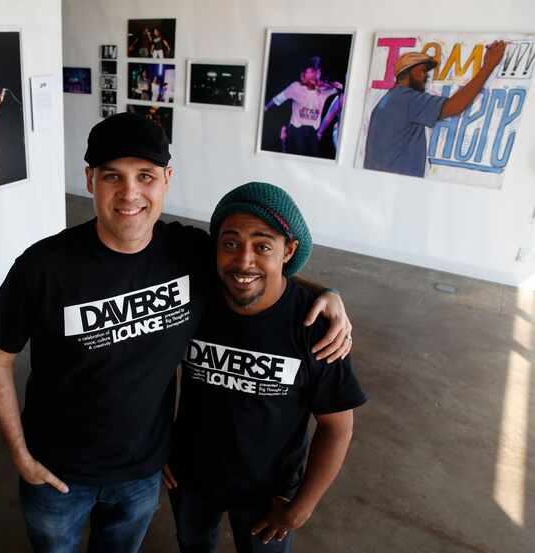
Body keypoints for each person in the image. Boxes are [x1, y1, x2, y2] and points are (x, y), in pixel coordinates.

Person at [0, 113, 353, 553]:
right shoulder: (43, 267)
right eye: (112, 176)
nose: (130, 193)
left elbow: (250, 270)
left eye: (146, 176)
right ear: (89, 180)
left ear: (167, 179)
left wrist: (327, 292)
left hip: (142, 473)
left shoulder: (187, 252)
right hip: (57, 474)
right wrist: (21, 456)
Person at [164, 182, 367, 553]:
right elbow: (148, 372)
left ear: (288, 251)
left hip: (269, 493)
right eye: (230, 243)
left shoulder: (315, 326)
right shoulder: (194, 302)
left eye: (263, 246)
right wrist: (158, 445)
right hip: (191, 478)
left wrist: (301, 506)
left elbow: (336, 427)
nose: (244, 261)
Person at [363, 40, 506, 178]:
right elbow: (456, 106)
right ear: (407, 72)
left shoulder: (388, 100)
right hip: (398, 187)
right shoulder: (407, 98)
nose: (426, 77)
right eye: (422, 71)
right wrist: (489, 65)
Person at [264, 57, 341, 157]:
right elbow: (277, 99)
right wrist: (265, 108)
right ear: (303, 75)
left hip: (313, 133)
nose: (315, 75)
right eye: (312, 71)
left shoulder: (323, 91)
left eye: (318, 72)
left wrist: (326, 84)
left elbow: (340, 88)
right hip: (297, 131)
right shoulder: (296, 87)